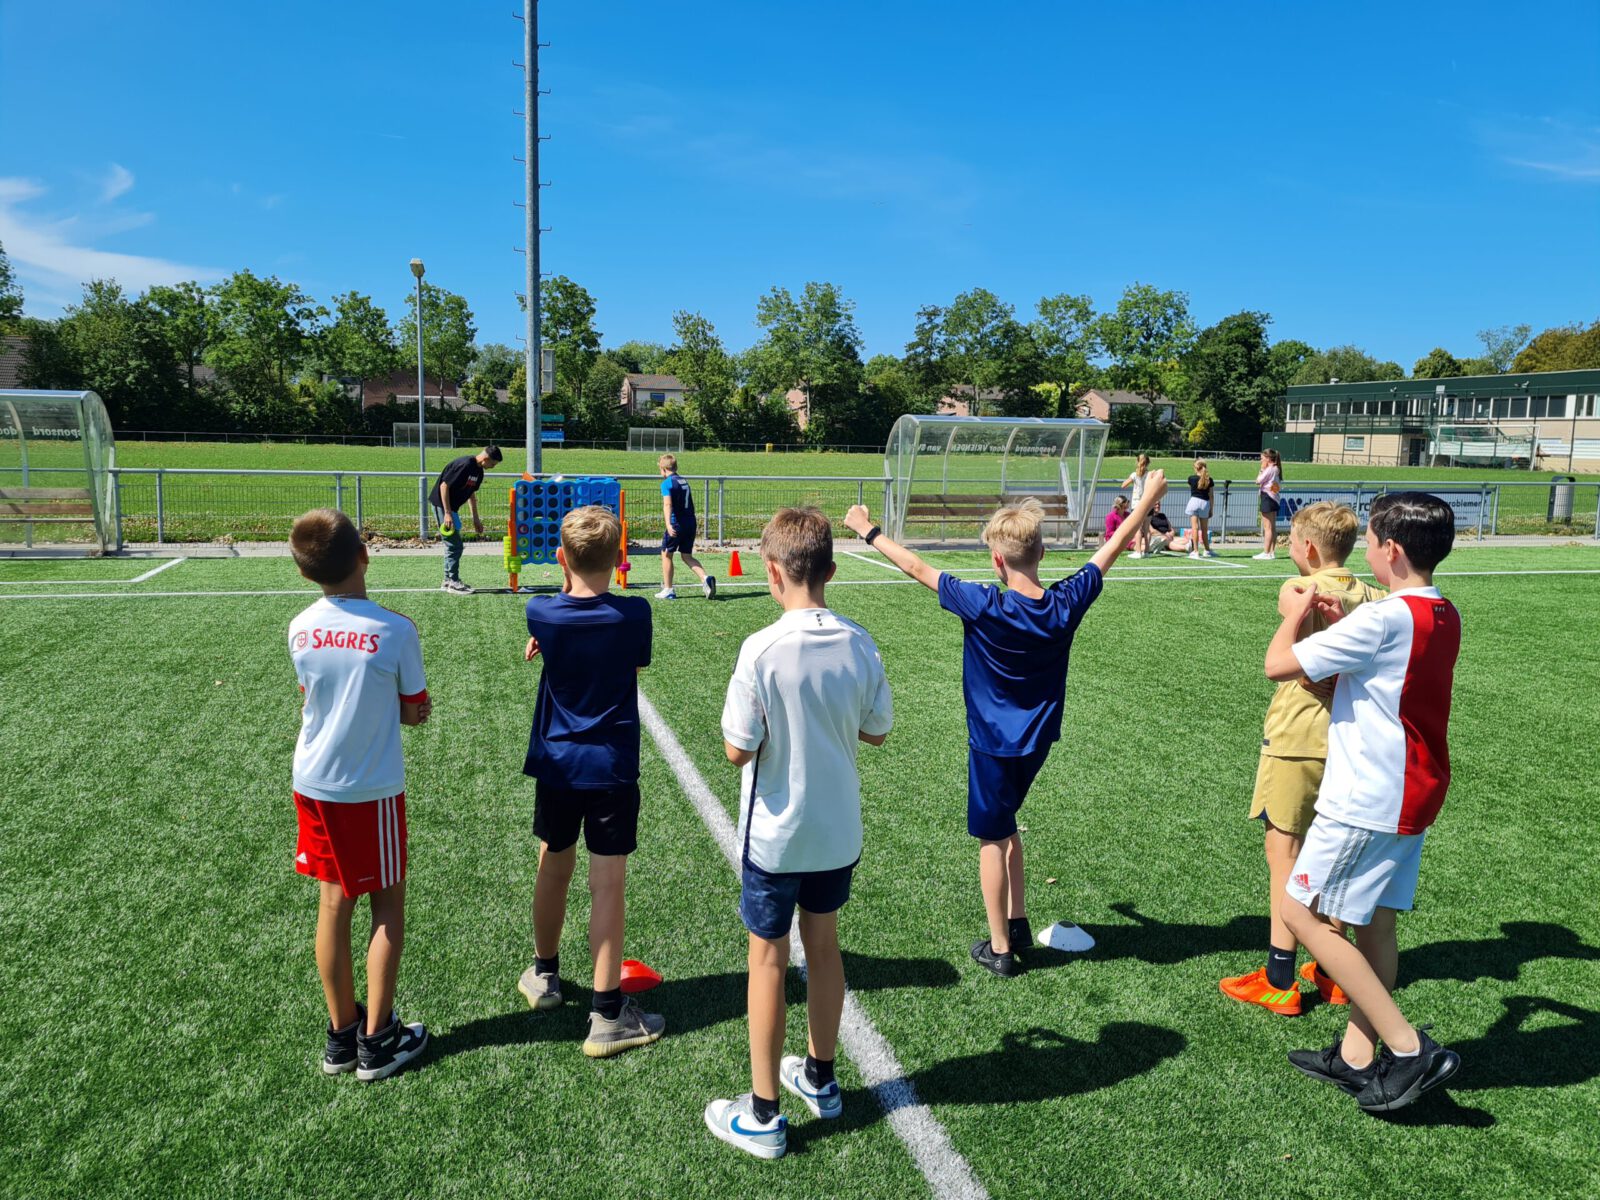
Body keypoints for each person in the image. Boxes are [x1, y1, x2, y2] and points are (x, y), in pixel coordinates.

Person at [842, 474, 1166, 977]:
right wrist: (1148, 500)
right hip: (1037, 742)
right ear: (1043, 553)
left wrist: (867, 529)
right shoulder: (1065, 603)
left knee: (992, 840)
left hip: (993, 745)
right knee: (1009, 826)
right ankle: (1015, 923)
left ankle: (999, 950)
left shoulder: (984, 603)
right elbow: (1114, 546)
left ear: (997, 560)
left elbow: (915, 565)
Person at [705, 507, 893, 1160]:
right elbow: (877, 729)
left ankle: (762, 1114)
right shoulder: (860, 641)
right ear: (831, 571)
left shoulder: (760, 648)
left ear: (772, 571)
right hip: (837, 832)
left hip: (777, 837)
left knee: (767, 959)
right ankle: (820, 1074)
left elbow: (736, 750)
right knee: (826, 946)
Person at [1266, 492, 1462, 1113]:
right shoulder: (1441, 610)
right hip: (1414, 787)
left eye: (1374, 540)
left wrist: (1293, 610)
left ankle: (1408, 1048)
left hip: (1367, 795)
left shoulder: (1378, 620)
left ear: (1391, 550)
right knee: (1375, 920)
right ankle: (1356, 1055)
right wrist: (1331, 624)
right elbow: (1360, 678)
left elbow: (1277, 663)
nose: (1369, 549)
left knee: (1301, 912)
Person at [1219, 502, 1384, 1017]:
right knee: (1332, 853)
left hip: (1297, 738)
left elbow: (1291, 598)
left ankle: (1279, 975)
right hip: (1351, 743)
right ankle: (1334, 972)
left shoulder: (1301, 590)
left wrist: (1299, 601)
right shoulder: (1377, 598)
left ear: (1308, 548)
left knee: (1284, 854)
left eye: (1292, 542)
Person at [287, 508, 431, 1082]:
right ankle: (379, 1040)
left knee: (333, 903)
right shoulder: (395, 629)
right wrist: (411, 709)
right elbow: (414, 709)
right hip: (368, 788)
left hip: (313, 782)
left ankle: (341, 1036)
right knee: (387, 906)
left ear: (306, 573)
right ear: (364, 555)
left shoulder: (298, 626)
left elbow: (312, 691)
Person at [517, 505, 664, 1059]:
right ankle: (606, 1014)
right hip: (611, 767)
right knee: (608, 885)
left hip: (557, 764)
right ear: (620, 559)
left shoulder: (541, 612)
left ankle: (545, 974)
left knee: (553, 865)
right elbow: (631, 664)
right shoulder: (635, 614)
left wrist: (552, 639)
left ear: (561, 558)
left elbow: (557, 614)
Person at [429, 444, 503, 594]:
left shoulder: (479, 472)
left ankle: (447, 580)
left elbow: (471, 495)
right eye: (493, 464)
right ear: (486, 459)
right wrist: (447, 513)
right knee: (454, 545)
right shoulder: (464, 465)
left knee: (453, 545)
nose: (493, 467)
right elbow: (444, 486)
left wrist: (476, 518)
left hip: (452, 509)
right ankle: (453, 582)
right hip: (442, 506)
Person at [657, 454, 716, 600]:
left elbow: (668, 504)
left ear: (664, 469)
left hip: (676, 523)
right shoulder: (683, 480)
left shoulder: (666, 483)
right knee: (686, 555)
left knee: (666, 554)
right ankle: (705, 578)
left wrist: (668, 524)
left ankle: (668, 589)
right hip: (690, 522)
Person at [1120, 453, 1153, 557]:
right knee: (1147, 529)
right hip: (1148, 503)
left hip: (1137, 504)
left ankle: (1138, 551)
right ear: (1148, 463)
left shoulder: (1134, 475)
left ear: (1137, 462)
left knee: (1138, 529)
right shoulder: (1150, 474)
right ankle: (1147, 551)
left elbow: (1123, 485)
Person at [1255, 449, 1283, 560]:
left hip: (1267, 497)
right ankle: (1271, 552)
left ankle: (1266, 552)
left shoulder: (1270, 469)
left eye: (1262, 458)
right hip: (1274, 498)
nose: (1261, 460)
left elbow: (1258, 480)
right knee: (1272, 527)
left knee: (1268, 527)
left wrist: (1262, 469)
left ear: (1268, 458)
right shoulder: (1276, 469)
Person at [1186, 458, 1217, 558]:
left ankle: (1195, 551)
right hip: (1205, 503)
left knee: (1194, 528)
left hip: (1194, 502)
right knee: (1204, 529)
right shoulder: (1210, 480)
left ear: (1196, 468)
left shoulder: (1191, 478)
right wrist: (1211, 509)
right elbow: (1211, 495)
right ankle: (1207, 550)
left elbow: (1191, 487)